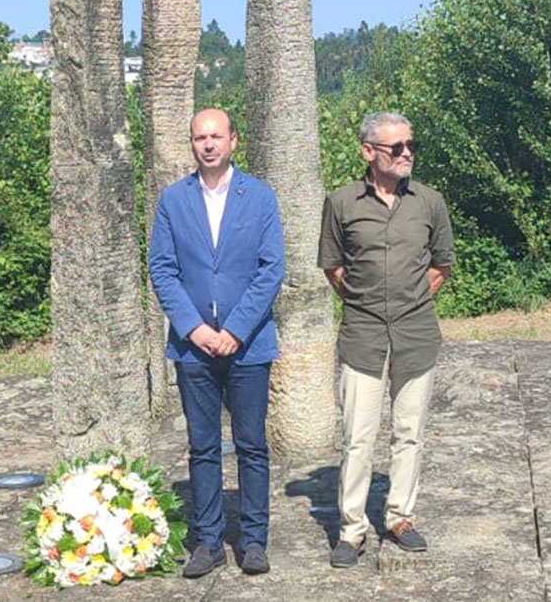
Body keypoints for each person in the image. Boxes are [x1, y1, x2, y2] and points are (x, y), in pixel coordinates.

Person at [149, 108, 285, 578]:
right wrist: (194, 328)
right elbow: (162, 269)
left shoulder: (260, 197)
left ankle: (253, 540)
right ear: (192, 144)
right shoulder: (173, 200)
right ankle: (208, 541)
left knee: (252, 445)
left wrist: (235, 330)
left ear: (233, 141)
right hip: (194, 348)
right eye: (199, 138)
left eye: (216, 136)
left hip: (248, 345)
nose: (208, 144)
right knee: (202, 446)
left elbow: (271, 268)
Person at [318, 112, 455, 568]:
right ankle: (351, 530)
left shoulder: (430, 202)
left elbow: (441, 266)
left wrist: (408, 303)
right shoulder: (341, 203)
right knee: (357, 438)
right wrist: (368, 303)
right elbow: (334, 268)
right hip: (363, 335)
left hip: (416, 335)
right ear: (369, 151)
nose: (407, 153)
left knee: (409, 433)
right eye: (397, 147)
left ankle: (400, 518)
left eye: (411, 145)